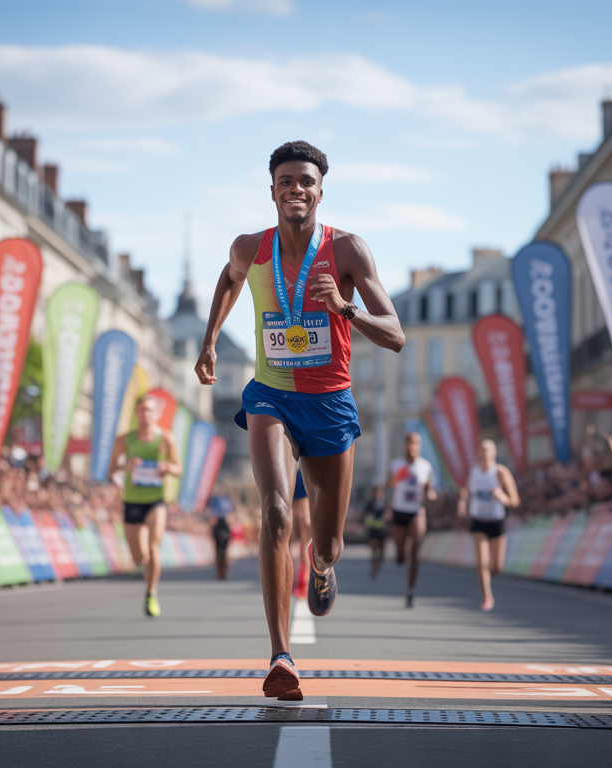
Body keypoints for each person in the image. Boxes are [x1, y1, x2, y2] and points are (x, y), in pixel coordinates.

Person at [195, 140, 405, 701]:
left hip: (331, 403)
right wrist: (211, 339)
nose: (296, 188)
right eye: (285, 180)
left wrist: (345, 308)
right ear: (272, 190)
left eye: (305, 181)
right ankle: (280, 656)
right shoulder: (250, 247)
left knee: (329, 541)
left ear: (319, 190)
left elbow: (397, 334)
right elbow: (228, 278)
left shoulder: (348, 249)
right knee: (276, 510)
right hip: (271, 395)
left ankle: (321, 564)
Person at [109, 394, 181, 617]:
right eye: (141, 410)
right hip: (132, 501)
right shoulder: (124, 440)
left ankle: (151, 593)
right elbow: (111, 471)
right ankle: (147, 569)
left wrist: (166, 468)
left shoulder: (166, 438)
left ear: (157, 414)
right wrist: (126, 466)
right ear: (136, 413)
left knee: (153, 547)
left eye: (150, 411)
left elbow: (179, 469)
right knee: (139, 558)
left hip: (155, 501)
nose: (146, 415)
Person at [457, 439, 520, 611]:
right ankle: (487, 597)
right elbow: (465, 490)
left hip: (497, 521)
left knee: (496, 567)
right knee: (482, 563)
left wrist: (502, 497)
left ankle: (489, 581)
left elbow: (515, 500)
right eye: (481, 450)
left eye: (487, 450)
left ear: (494, 453)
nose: (483, 453)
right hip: (478, 521)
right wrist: (462, 503)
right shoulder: (474, 472)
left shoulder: (500, 472)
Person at [387, 431, 436, 608]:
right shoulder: (396, 465)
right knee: (400, 557)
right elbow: (388, 485)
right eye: (409, 442)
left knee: (415, 548)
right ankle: (401, 553)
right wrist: (397, 477)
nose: (412, 446)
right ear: (404, 445)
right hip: (399, 510)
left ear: (419, 446)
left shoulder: (425, 466)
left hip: (416, 511)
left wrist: (431, 494)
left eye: (415, 443)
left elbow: (429, 488)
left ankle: (410, 590)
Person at [291, 468, 311, 598]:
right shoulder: (309, 472)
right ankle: (304, 582)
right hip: (306, 509)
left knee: (293, 546)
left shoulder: (294, 472)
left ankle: (293, 579)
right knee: (305, 547)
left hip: (292, 508)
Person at [208, 493, 235, 580]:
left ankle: (222, 567)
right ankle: (222, 567)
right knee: (223, 549)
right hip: (222, 528)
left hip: (220, 528)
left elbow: (211, 518)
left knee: (220, 549)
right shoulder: (225, 503)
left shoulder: (215, 502)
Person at [362, 484, 387, 578]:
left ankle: (378, 567)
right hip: (373, 530)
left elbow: (388, 515)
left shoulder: (384, 504)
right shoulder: (370, 504)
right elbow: (366, 516)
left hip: (383, 531)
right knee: (374, 552)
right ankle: (374, 569)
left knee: (382, 552)